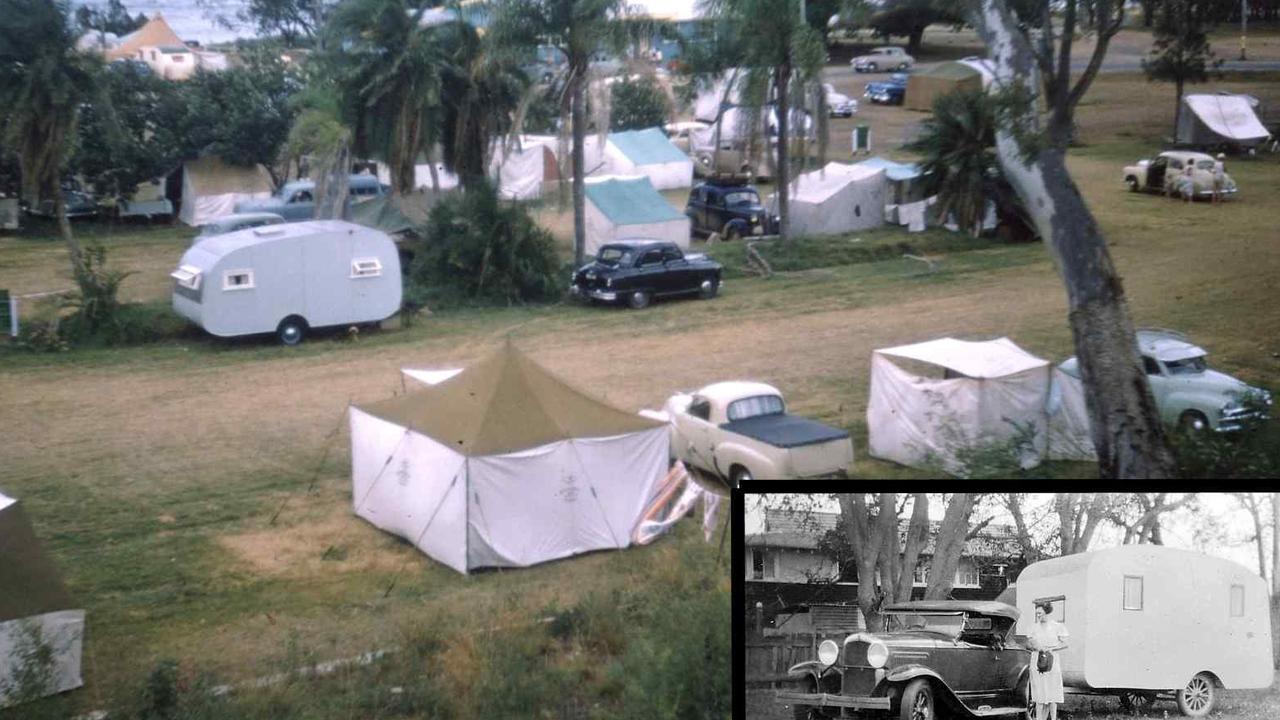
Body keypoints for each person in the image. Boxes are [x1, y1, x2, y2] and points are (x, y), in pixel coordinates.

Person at [1028, 601, 1069, 720]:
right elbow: (1029, 643)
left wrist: (1051, 649)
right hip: (1037, 660)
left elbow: (1065, 643)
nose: (1038, 616)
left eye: (1040, 613)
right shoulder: (1033, 627)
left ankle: (1053, 718)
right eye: (1037, 614)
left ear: (1047, 612)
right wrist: (1036, 647)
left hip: (1052, 660)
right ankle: (1039, 718)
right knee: (1039, 694)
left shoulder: (1057, 626)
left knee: (1052, 692)